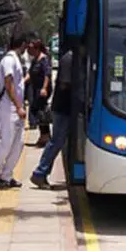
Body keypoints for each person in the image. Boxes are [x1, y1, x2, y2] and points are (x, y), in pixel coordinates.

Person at [0, 31, 29, 188]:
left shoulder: (16, 59)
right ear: (22, 44)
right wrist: (18, 107)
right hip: (9, 108)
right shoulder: (8, 60)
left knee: (19, 143)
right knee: (6, 142)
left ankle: (7, 175)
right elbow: (9, 85)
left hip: (16, 108)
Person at [30, 49, 73, 189]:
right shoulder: (69, 58)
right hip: (63, 108)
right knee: (56, 141)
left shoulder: (71, 57)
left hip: (65, 108)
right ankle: (39, 173)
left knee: (58, 141)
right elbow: (64, 84)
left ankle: (41, 173)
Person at [24, 39, 52, 147]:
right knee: (36, 110)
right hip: (35, 89)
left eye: (30, 49)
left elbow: (47, 75)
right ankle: (45, 135)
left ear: (37, 49)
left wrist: (44, 88)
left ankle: (45, 136)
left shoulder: (44, 59)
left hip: (42, 90)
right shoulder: (35, 60)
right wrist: (22, 82)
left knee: (41, 111)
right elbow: (30, 73)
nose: (29, 51)